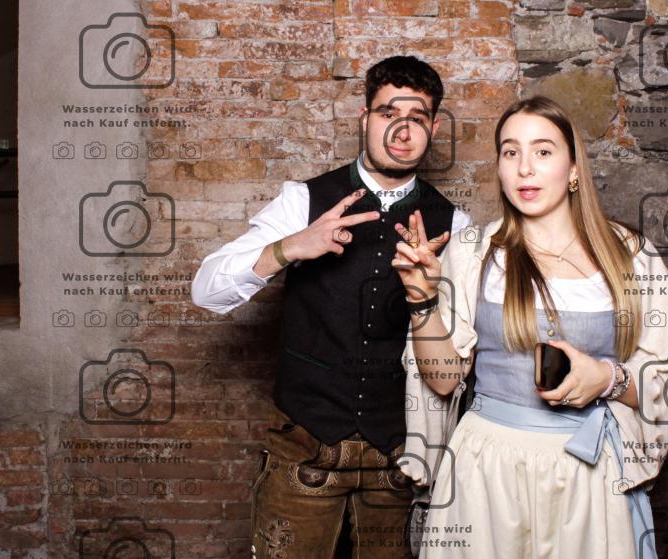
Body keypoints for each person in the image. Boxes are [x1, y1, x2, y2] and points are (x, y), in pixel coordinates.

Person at [191, 56, 471, 559]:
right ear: (365, 119)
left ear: (432, 128)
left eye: (417, 117)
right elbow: (206, 291)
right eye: (388, 113)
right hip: (305, 451)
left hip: (398, 461)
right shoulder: (303, 201)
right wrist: (288, 248)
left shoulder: (455, 225)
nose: (401, 129)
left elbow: (459, 364)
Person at [393, 96, 668, 558]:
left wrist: (606, 379)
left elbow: (666, 381)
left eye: (543, 151)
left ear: (573, 169)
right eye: (511, 152)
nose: (525, 168)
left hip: (588, 471)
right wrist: (421, 299)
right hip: (486, 469)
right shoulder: (474, 252)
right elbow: (444, 379)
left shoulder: (630, 256)